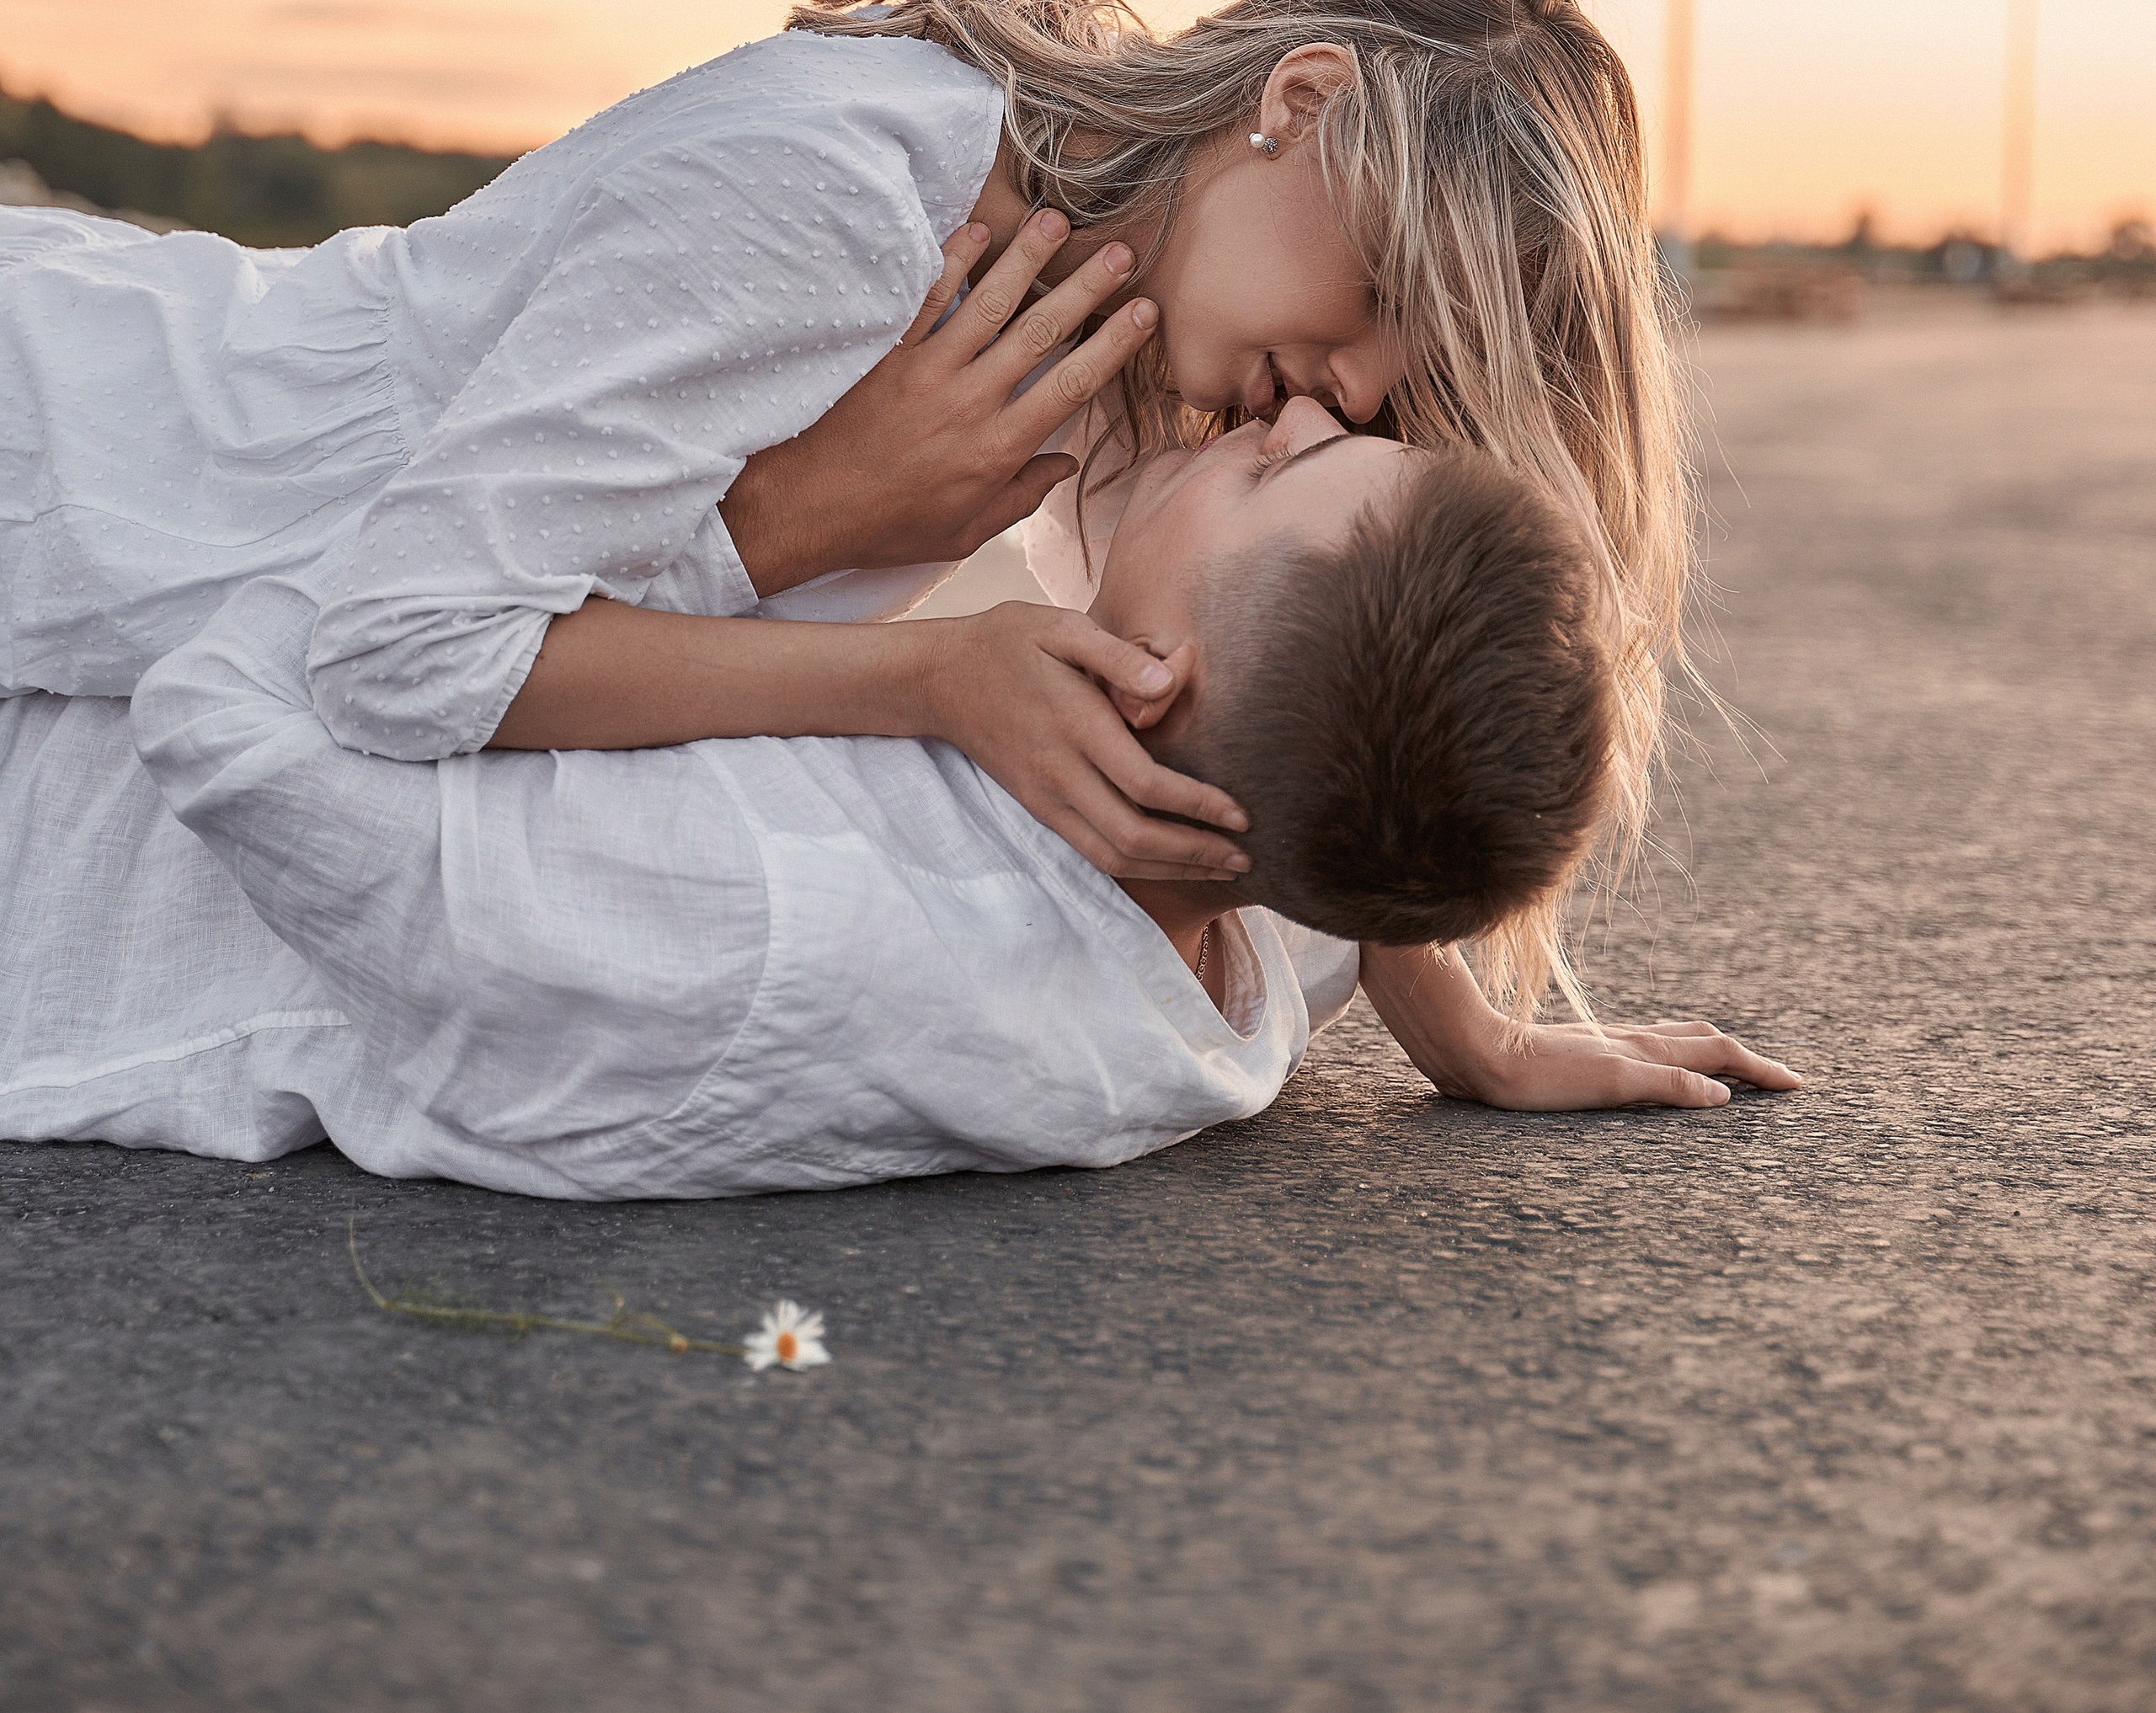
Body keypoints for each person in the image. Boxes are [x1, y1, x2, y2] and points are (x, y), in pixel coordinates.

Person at [0, 0, 1688, 1022]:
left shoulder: (1105, 328)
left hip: (106, 625)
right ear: (1298, 105)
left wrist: (1458, 1021)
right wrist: (911, 654)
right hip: (61, 441)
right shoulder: (846, 194)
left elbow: (1288, 689)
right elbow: (397, 653)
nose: (1361, 391)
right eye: (1388, 296)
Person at [0, 396, 1798, 1195]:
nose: (1277, 411)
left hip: (57, 860)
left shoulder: (784, 925)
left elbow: (232, 702)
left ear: (1146, 663)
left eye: (1274, 464)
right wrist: (1466, 1029)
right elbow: (1330, 857)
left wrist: (784, 534)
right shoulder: (1224, 890)